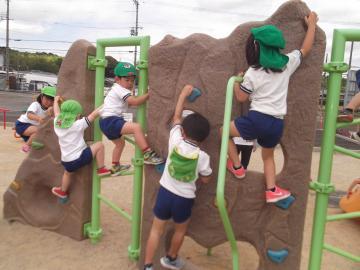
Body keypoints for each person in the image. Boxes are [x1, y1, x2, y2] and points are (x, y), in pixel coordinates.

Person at [221, 12, 318, 203]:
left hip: (257, 119)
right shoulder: (287, 64)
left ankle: (238, 167)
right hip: (276, 123)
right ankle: (271, 190)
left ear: (255, 48)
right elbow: (305, 48)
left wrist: (234, 83)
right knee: (268, 157)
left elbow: (241, 97)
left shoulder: (253, 72)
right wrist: (312, 24)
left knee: (223, 132)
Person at [143, 85, 212, 270]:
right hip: (185, 199)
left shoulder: (175, 140)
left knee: (156, 230)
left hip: (165, 193)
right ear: (203, 138)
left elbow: (176, 117)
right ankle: (171, 258)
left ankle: (148, 266)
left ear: (183, 132)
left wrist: (182, 94)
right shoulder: (203, 157)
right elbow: (205, 179)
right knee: (180, 230)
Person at [99, 62, 164, 176]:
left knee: (120, 144)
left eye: (132, 80)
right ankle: (147, 154)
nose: (130, 83)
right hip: (111, 121)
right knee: (136, 127)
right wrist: (148, 95)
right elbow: (134, 102)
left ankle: (116, 166)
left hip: (105, 122)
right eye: (127, 80)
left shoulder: (117, 89)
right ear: (117, 79)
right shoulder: (120, 89)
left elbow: (130, 103)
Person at [51, 97, 111, 199]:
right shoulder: (78, 124)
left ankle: (63, 191)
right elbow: (94, 114)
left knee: (67, 173)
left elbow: (56, 112)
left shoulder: (57, 123)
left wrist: (55, 102)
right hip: (79, 158)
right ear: (78, 115)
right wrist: (106, 104)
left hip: (66, 161)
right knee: (99, 145)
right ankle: (101, 169)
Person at [15, 86, 56, 153]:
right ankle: (25, 147)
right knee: (39, 130)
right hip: (22, 125)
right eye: (46, 99)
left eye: (51, 100)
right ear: (41, 97)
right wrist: (39, 118)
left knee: (45, 132)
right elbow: (29, 115)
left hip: (31, 127)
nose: (48, 102)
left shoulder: (49, 109)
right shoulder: (36, 105)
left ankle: (31, 141)